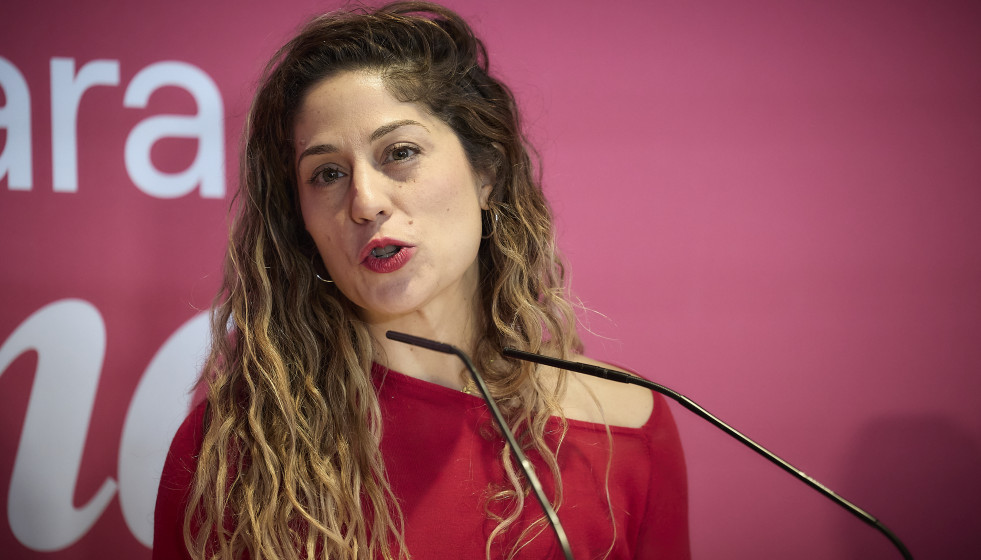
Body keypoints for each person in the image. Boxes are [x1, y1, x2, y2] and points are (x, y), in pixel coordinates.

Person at [153, 2, 689, 559]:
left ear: (487, 174)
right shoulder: (234, 450)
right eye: (328, 173)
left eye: (400, 153)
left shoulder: (625, 425)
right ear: (301, 221)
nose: (365, 201)